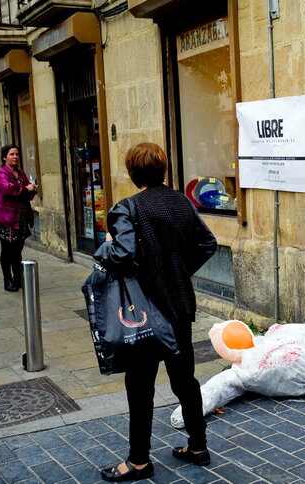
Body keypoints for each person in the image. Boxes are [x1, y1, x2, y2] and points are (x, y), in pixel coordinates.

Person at [94, 142, 217, 482]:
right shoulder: (181, 201)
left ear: (132, 172)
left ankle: (138, 461)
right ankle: (198, 446)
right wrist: (177, 271)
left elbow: (122, 254)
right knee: (184, 380)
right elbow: (207, 243)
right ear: (163, 169)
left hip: (143, 312)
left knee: (139, 385)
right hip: (179, 306)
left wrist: (103, 249)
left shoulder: (126, 208)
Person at [0, 144, 37, 292]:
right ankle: (7, 280)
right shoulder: (1, 173)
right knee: (7, 250)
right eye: (12, 154)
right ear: (5, 157)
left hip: (21, 218)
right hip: (6, 218)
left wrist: (28, 189)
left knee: (17, 249)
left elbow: (30, 192)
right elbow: (9, 190)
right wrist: (26, 189)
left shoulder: (21, 173)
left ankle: (18, 277)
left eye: (17, 154)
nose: (15, 157)